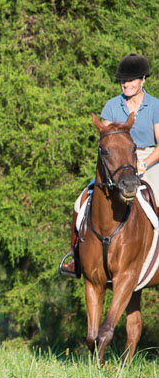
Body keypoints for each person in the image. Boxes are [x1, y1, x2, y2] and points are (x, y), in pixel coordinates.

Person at [59, 53, 159, 278]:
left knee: (158, 197)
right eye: (123, 80)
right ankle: (75, 257)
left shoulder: (155, 106)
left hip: (149, 160)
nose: (126, 84)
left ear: (143, 79)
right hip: (118, 163)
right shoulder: (112, 105)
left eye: (131, 80)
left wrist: (143, 164)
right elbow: (106, 139)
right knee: (81, 201)